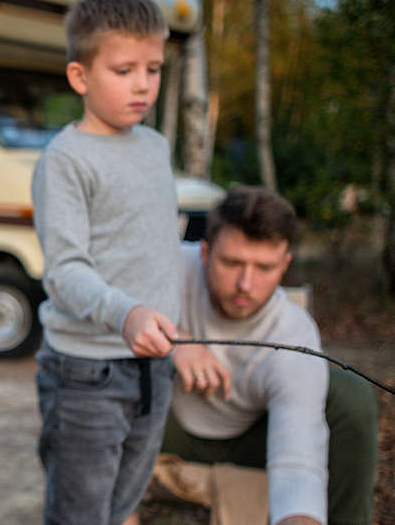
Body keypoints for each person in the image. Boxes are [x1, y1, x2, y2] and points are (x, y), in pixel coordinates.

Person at [31, 0, 181, 525]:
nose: (143, 84)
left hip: (154, 367)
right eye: (124, 70)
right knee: (81, 514)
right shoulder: (66, 160)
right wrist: (126, 313)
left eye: (154, 68)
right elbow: (65, 272)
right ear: (80, 77)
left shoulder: (157, 147)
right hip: (86, 372)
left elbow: (158, 248)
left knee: (122, 506)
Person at [159, 186, 378, 525]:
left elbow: (298, 454)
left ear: (285, 264)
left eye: (264, 267)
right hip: (162, 425)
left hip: (251, 438)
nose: (246, 283)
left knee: (350, 395)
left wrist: (299, 517)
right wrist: (171, 338)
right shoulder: (168, 266)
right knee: (115, 364)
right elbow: (92, 298)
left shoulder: (292, 332)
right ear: (204, 253)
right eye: (232, 263)